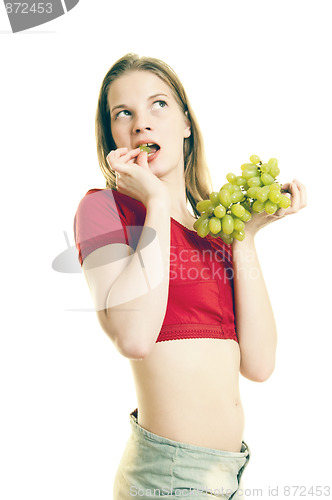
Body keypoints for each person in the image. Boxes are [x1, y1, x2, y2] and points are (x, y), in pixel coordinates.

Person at [73, 53, 307, 499]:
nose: (142, 123)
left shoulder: (214, 232)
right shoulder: (103, 211)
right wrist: (157, 202)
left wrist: (246, 238)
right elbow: (135, 338)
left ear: (185, 123)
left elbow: (259, 365)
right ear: (113, 137)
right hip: (167, 477)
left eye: (158, 104)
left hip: (229, 474)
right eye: (124, 113)